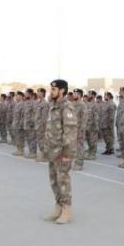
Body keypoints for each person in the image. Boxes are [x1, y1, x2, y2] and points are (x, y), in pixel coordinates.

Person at [43, 79, 78, 225]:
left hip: (62, 152)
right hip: (53, 151)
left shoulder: (67, 107)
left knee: (63, 181)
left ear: (62, 90)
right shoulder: (53, 106)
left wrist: (67, 154)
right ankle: (58, 207)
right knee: (54, 181)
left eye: (54, 89)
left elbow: (70, 132)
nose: (51, 92)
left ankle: (66, 210)